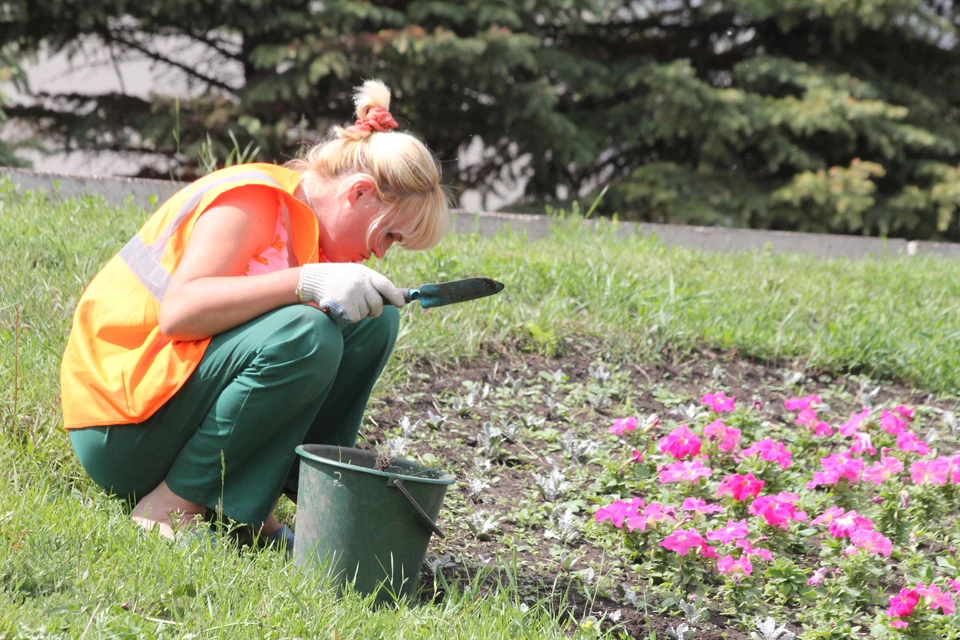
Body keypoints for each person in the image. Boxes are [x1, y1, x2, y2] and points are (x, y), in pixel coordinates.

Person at [59, 80, 450, 547]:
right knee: (307, 332)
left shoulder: (306, 227)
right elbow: (180, 314)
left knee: (374, 319)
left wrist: (317, 283)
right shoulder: (255, 200)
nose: (382, 253)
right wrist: (304, 283)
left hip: (165, 411)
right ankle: (168, 506)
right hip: (121, 428)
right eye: (388, 235)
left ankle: (249, 508)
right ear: (359, 193)